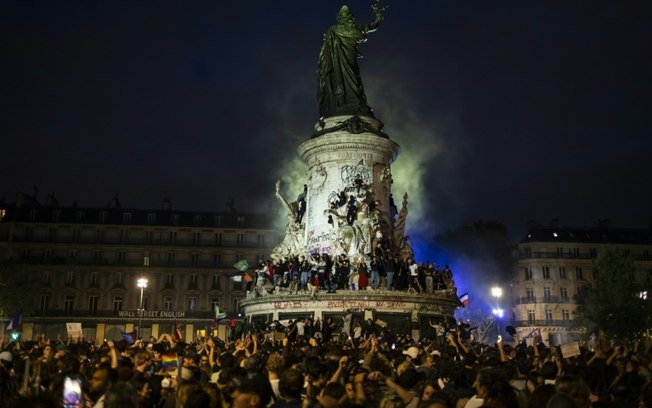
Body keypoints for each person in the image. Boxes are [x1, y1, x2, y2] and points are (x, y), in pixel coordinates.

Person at [317, 2, 386, 118]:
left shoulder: (355, 27)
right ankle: (342, 103)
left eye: (347, 15)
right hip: (336, 60)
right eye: (343, 16)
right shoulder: (333, 30)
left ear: (350, 17)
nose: (346, 17)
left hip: (350, 57)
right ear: (340, 17)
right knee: (340, 79)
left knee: (353, 78)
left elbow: (371, 26)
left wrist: (379, 16)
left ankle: (354, 102)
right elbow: (325, 50)